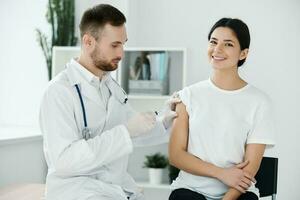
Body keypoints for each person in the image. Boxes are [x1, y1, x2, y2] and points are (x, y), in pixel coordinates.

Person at [39, 4, 179, 200]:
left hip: (114, 188)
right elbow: (64, 160)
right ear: (88, 42)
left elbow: (135, 133)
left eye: (123, 44)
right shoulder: (59, 92)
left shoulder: (110, 87)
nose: (121, 53)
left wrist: (164, 121)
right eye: (115, 45)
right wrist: (126, 131)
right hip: (77, 191)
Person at [168, 18, 275, 200]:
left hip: (238, 191)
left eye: (228, 44)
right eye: (213, 42)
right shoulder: (186, 96)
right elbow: (176, 155)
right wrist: (221, 173)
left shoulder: (259, 102)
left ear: (243, 53)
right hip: (190, 190)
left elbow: (250, 166)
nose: (217, 50)